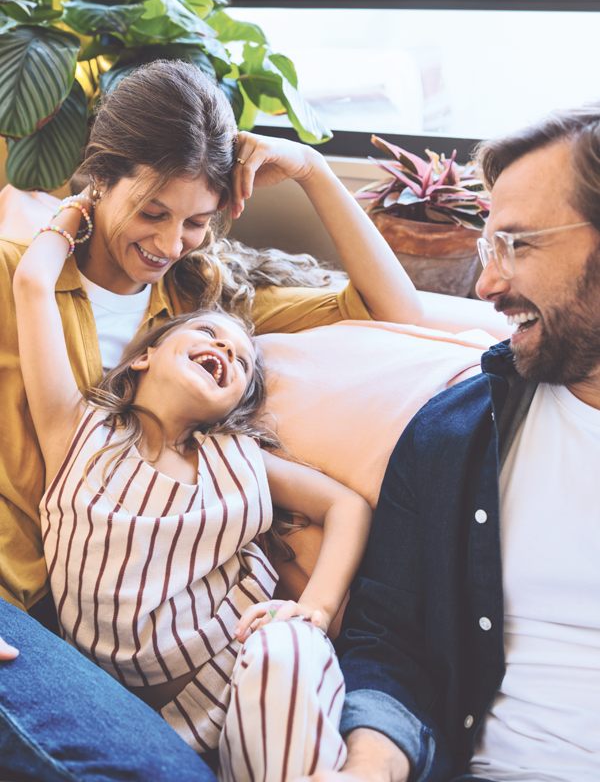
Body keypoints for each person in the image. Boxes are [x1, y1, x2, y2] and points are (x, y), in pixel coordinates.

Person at [0, 60, 420, 778]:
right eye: (153, 212)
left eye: (197, 220)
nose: (170, 244)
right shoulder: (22, 275)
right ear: (100, 178)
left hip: (96, 633)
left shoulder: (202, 315)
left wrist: (317, 170)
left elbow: (396, 311)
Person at [13, 197, 372, 779]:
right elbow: (32, 283)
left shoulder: (236, 457)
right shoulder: (76, 429)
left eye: (242, 362)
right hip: (125, 708)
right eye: (209, 332)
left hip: (240, 668)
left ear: (237, 402)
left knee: (289, 649)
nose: (227, 351)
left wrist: (316, 610)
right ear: (145, 356)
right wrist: (79, 208)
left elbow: (346, 505)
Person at [313, 104, 600, 782]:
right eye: (486, 248)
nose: (487, 285)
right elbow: (388, 640)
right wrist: (371, 759)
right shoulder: (453, 436)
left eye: (517, 245)